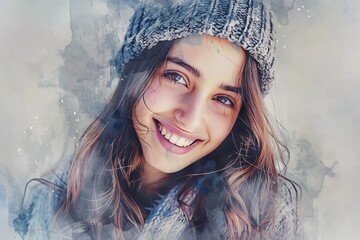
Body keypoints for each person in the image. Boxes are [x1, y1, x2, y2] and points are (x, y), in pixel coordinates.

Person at [13, 0, 302, 239]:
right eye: (176, 77)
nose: (190, 119)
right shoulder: (49, 206)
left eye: (223, 99)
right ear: (136, 72)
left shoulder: (261, 225)